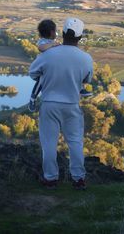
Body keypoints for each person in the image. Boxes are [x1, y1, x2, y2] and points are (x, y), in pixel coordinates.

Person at [29, 17, 93, 189]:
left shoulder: (49, 53)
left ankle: (51, 179)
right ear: (80, 37)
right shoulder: (86, 58)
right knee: (75, 142)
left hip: (49, 103)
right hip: (72, 104)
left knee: (49, 143)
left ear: (62, 33)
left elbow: (33, 73)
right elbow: (87, 79)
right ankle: (78, 179)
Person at [28, 20, 92, 112]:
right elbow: (41, 48)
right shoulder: (44, 43)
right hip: (70, 103)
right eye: (55, 30)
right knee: (42, 80)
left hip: (49, 102)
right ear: (52, 32)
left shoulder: (51, 43)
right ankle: (33, 98)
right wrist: (53, 45)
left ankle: (81, 89)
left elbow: (32, 73)